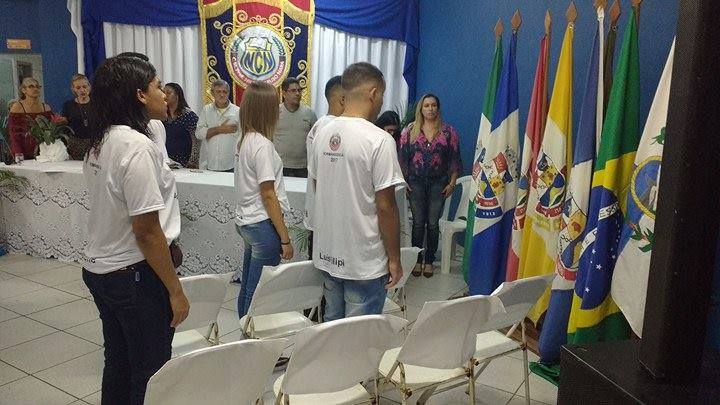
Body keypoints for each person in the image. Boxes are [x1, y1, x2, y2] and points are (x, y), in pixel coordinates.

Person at [82, 54, 189, 405]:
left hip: (102, 268)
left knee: (119, 362)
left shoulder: (104, 139)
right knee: (150, 371)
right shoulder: (136, 147)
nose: (164, 93)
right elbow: (146, 231)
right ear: (140, 95)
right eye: (157, 86)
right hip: (133, 273)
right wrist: (175, 289)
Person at [309, 62, 404, 321]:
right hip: (364, 260)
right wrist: (394, 259)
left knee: (332, 327)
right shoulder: (379, 140)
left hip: (328, 253)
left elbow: (319, 186)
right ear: (373, 93)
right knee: (359, 337)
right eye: (382, 95)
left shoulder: (321, 133)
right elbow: (386, 207)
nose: (381, 102)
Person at [234, 80, 294, 318]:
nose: (279, 110)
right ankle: (251, 333)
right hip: (261, 223)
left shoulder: (246, 139)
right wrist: (285, 239)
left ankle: (244, 328)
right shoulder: (262, 145)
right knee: (259, 292)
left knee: (249, 286)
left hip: (248, 221)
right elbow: (268, 194)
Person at [398, 93, 462, 278]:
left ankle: (430, 260)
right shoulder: (409, 131)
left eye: (433, 105)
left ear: (438, 108)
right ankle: (417, 260)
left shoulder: (449, 132)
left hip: (438, 183)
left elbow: (455, 159)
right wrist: (403, 181)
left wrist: (452, 183)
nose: (430, 109)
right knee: (418, 223)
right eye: (426, 105)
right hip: (415, 182)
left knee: (433, 224)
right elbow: (402, 159)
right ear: (421, 109)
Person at [304, 75, 344, 258]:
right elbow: (324, 175)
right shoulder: (331, 128)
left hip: (322, 211)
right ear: (342, 99)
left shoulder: (322, 124)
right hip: (327, 213)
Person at [274, 77, 317, 177]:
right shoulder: (274, 112)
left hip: (303, 167)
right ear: (284, 93)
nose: (297, 93)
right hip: (280, 165)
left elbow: (316, 138)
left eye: (299, 90)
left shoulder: (309, 113)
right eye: (293, 91)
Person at [196, 79, 240, 172]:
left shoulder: (237, 111)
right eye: (218, 92)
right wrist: (220, 129)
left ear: (228, 93)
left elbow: (242, 136)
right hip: (209, 163)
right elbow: (199, 134)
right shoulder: (206, 110)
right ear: (212, 93)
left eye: (225, 92)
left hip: (231, 164)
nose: (222, 95)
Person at [8, 77, 54, 160]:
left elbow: (51, 132)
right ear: (23, 90)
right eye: (31, 86)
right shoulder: (17, 107)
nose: (35, 89)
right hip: (23, 152)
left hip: (44, 152)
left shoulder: (46, 107)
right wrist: (18, 152)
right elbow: (14, 134)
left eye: (37, 86)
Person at [163, 83, 199, 168]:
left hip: (185, 163)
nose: (165, 96)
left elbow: (197, 141)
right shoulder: (162, 115)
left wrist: (192, 162)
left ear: (177, 95)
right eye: (163, 93)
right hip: (166, 163)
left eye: (168, 93)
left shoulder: (189, 116)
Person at [62, 74, 94, 160]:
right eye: (78, 88)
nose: (82, 90)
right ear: (73, 89)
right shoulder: (68, 105)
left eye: (84, 87)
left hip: (95, 145)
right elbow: (65, 126)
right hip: (75, 146)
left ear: (89, 87)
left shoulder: (97, 103)